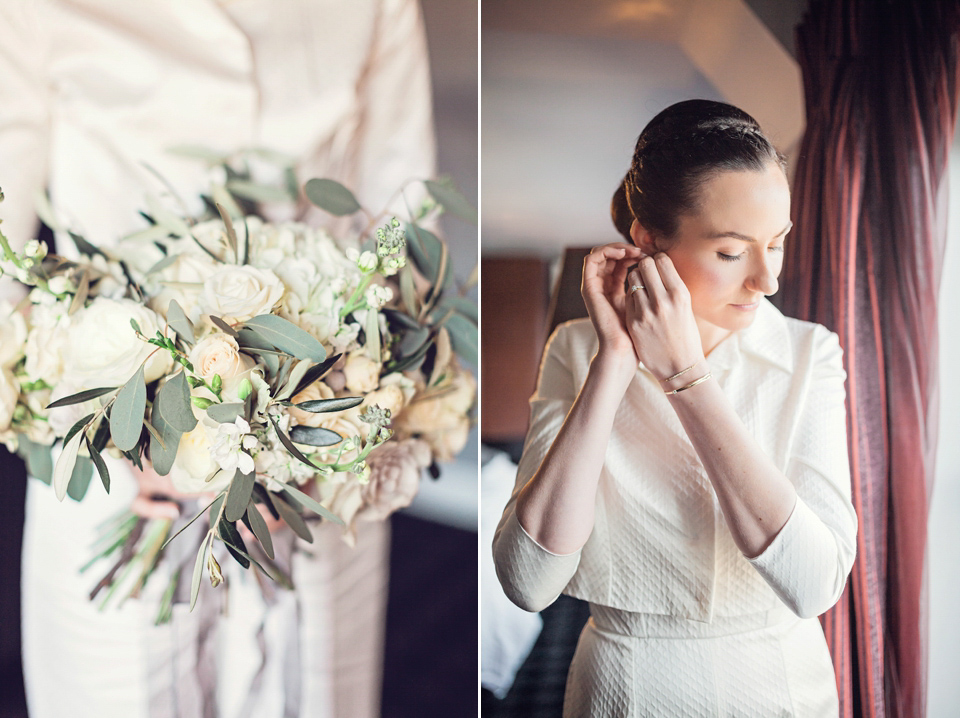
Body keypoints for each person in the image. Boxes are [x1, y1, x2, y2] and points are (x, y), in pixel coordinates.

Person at [0, 1, 435, 716]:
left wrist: (327, 412)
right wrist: (94, 424)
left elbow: (404, 218)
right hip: (103, 441)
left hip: (320, 437)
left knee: (310, 685)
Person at [493, 99, 858, 716]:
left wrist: (688, 378)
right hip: (624, 686)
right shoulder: (575, 349)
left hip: (783, 686)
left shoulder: (809, 354)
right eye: (731, 251)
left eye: (779, 242)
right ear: (648, 240)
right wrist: (614, 360)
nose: (768, 278)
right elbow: (529, 584)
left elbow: (815, 583)